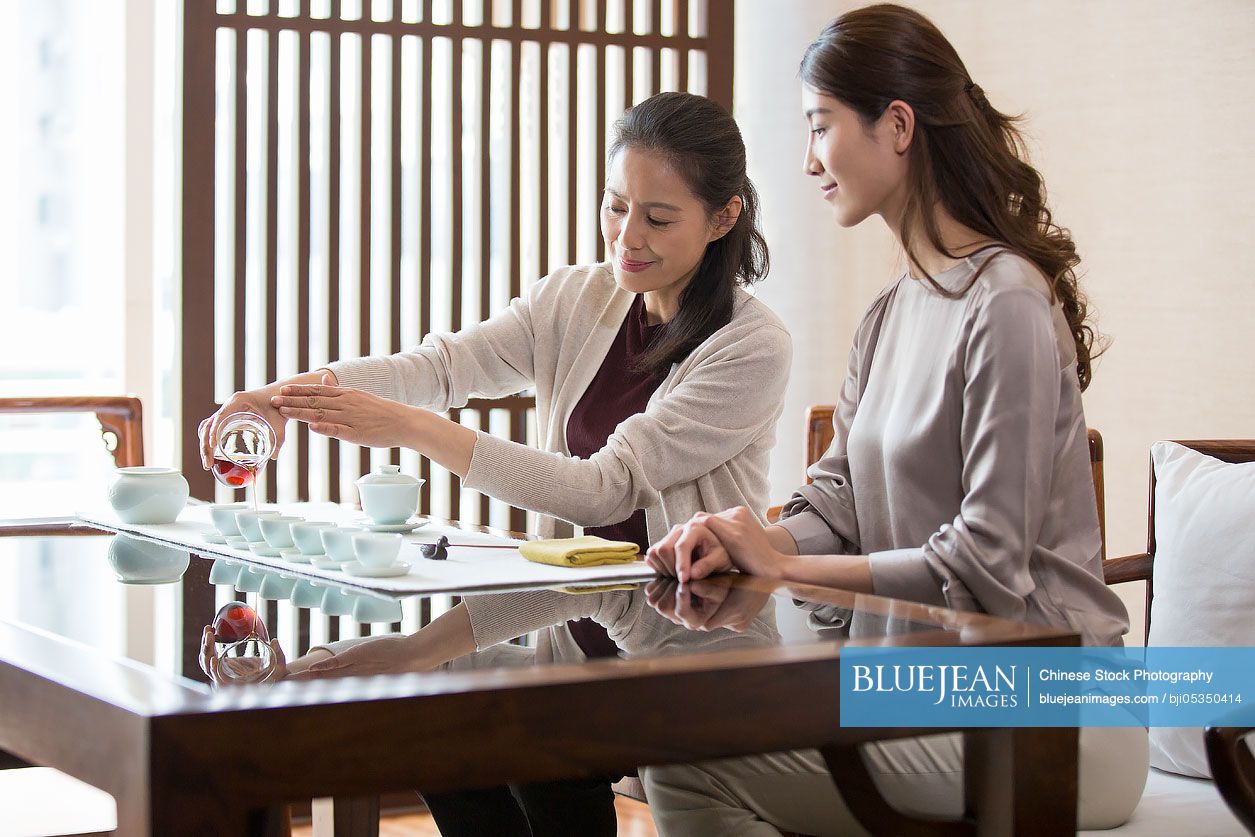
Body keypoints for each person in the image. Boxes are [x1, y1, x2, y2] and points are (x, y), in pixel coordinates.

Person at [198, 90, 792, 836]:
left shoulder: (750, 344)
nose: (627, 236)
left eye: (658, 217)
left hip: (693, 660)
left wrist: (411, 431)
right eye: (615, 206)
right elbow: (441, 367)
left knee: (508, 725)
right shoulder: (576, 299)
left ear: (724, 216)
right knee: (419, 698)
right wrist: (284, 397)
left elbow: (601, 491)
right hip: (571, 640)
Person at [640, 5, 1148, 834]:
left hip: (1056, 715)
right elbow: (837, 497)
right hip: (916, 687)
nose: (806, 162)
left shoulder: (1007, 303)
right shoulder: (888, 312)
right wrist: (751, 535)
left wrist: (782, 568)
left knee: (688, 757)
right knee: (678, 718)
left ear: (898, 126)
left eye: (820, 127)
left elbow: (986, 559)